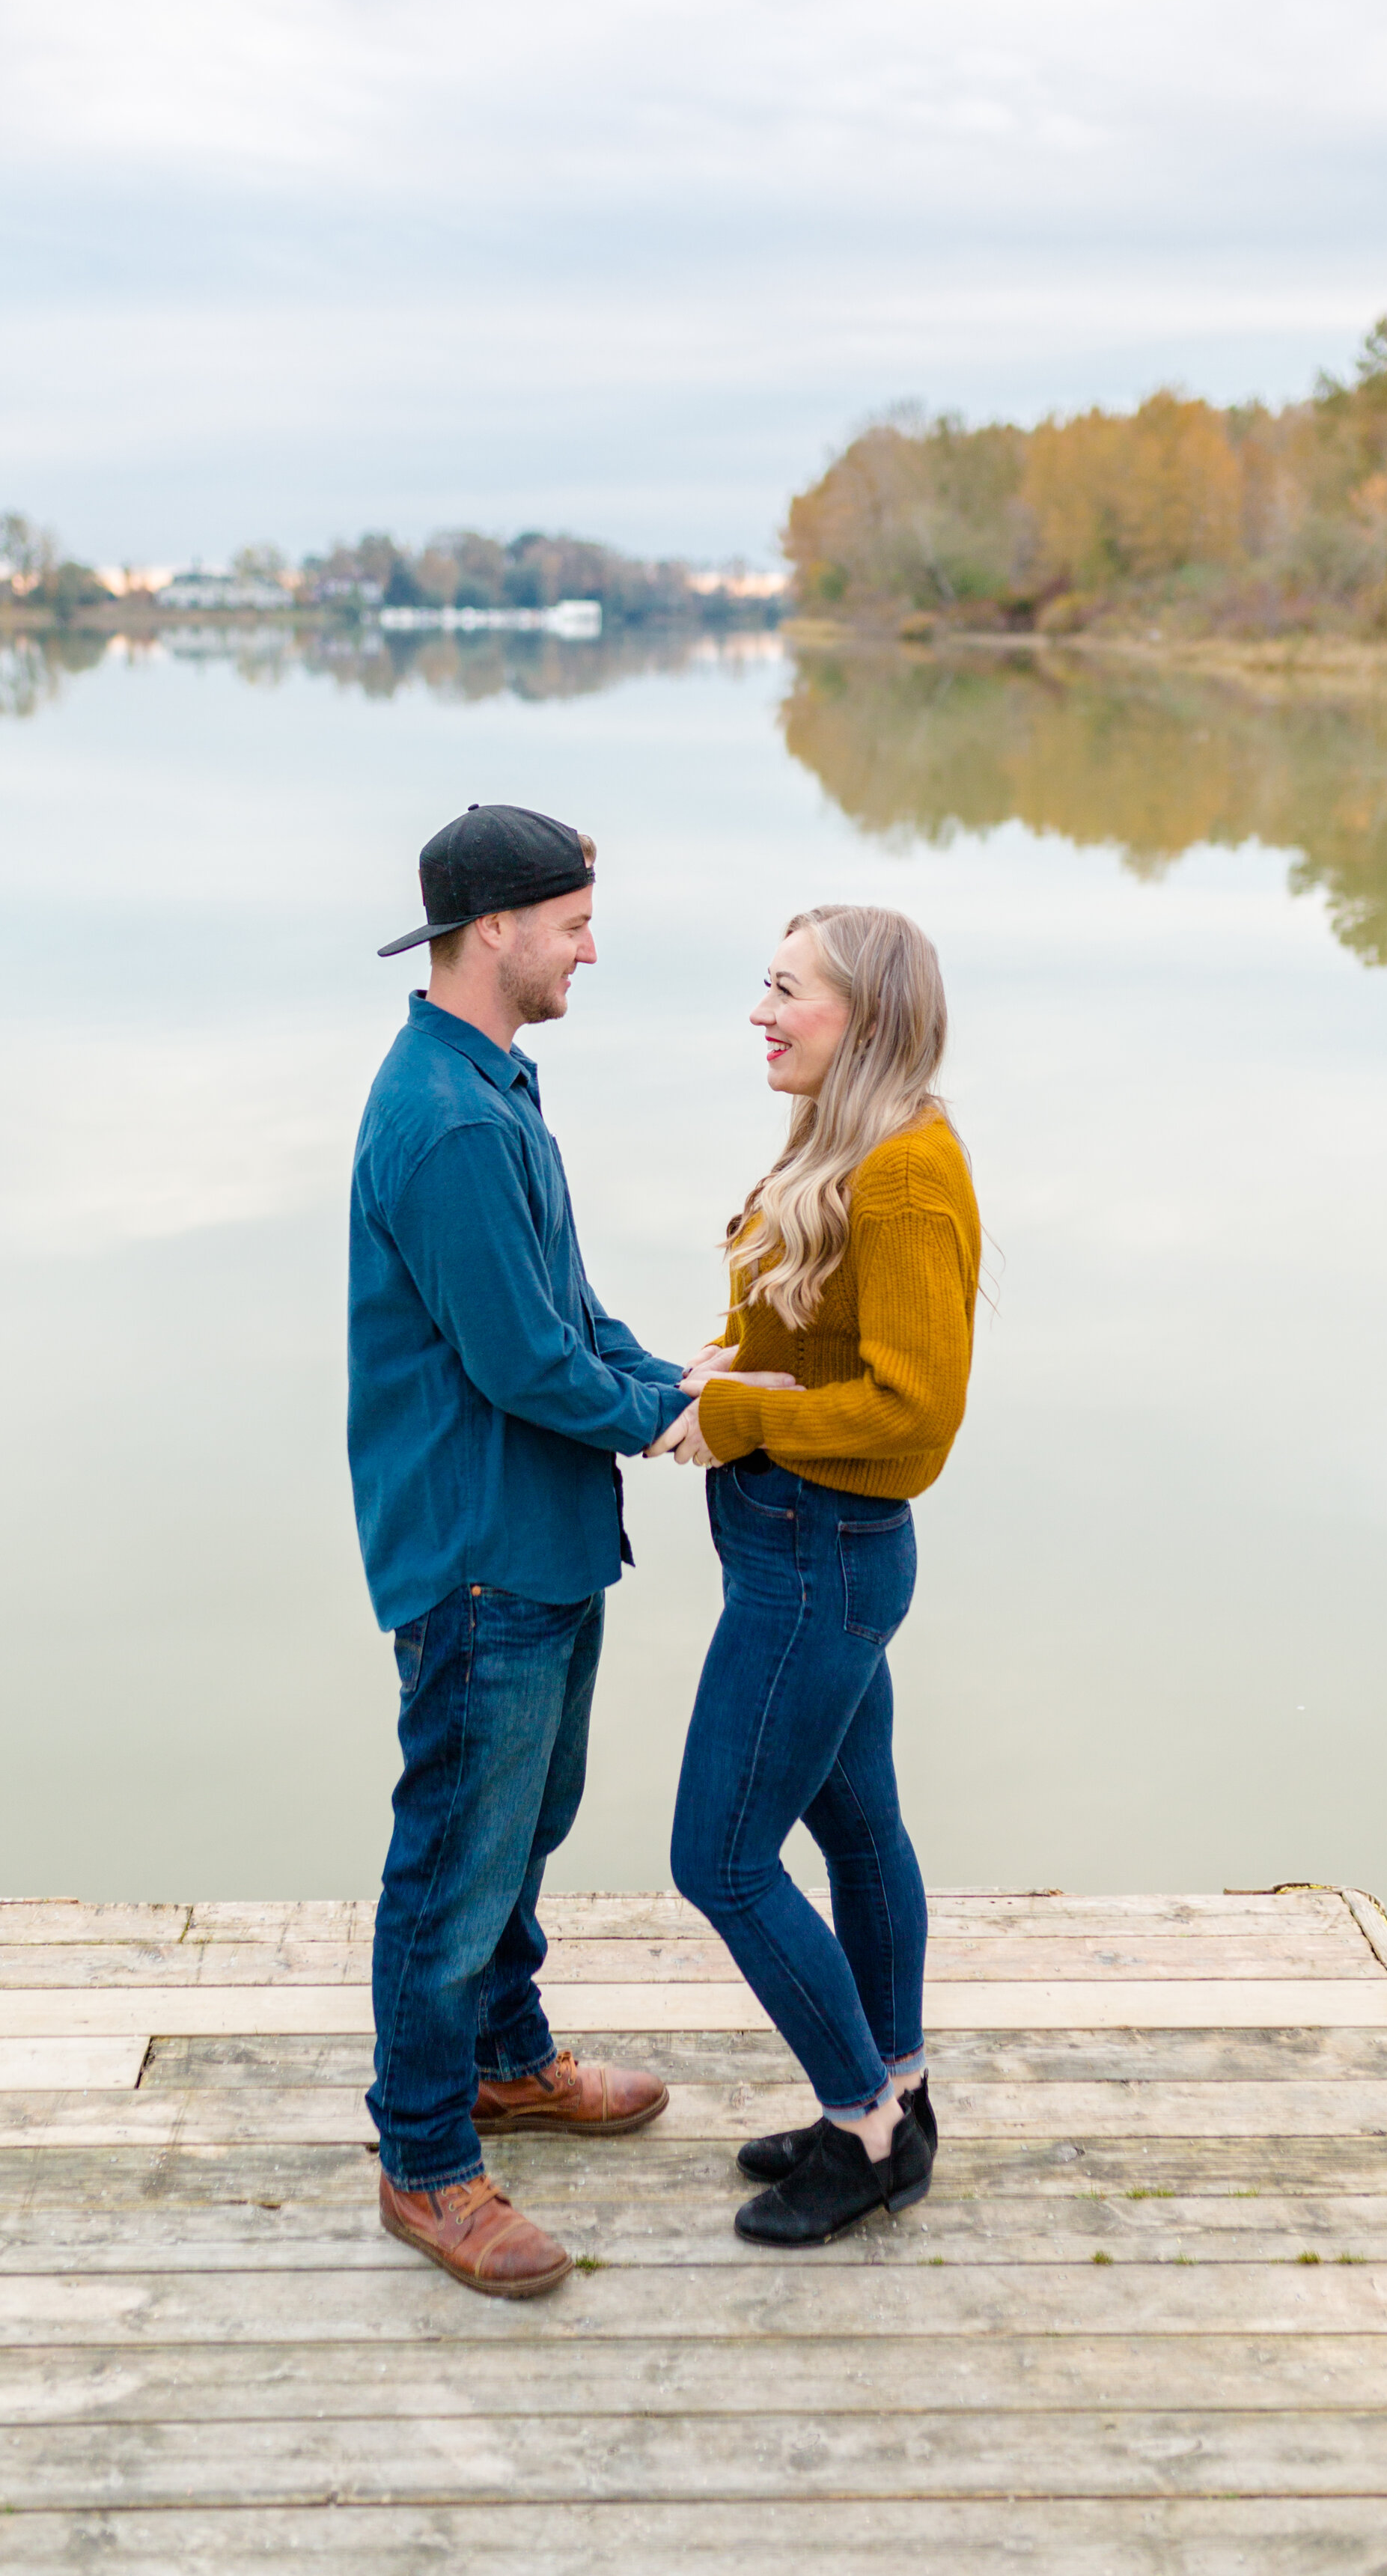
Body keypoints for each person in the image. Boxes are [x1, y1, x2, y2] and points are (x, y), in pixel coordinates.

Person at [350, 803, 793, 2298]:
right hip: (480, 1548)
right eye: (572, 923)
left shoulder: (491, 1083)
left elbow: (568, 1318)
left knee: (520, 1827)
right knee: (454, 1863)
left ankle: (504, 2061)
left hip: (535, 1540)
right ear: (495, 931)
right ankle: (425, 2161)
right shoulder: (452, 1120)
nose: (588, 948)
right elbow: (526, 1370)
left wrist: (687, 1382)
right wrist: (680, 1434)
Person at [662, 903, 981, 2246]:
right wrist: (723, 1369)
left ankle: (856, 2123)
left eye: (788, 990)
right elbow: (812, 1346)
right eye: (766, 985)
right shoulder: (841, 1142)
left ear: (866, 1015)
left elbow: (912, 1419)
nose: (762, 1011)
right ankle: (897, 2102)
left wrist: (743, 1418)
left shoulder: (906, 1170)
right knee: (855, 1832)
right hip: (799, 1551)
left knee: (722, 1858)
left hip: (820, 1559)